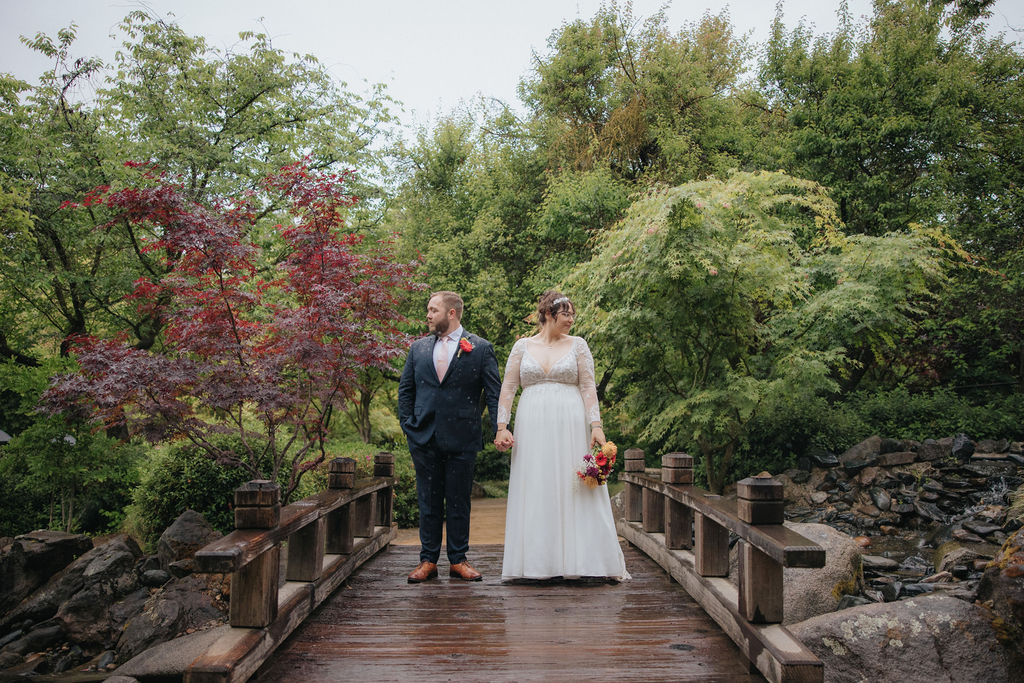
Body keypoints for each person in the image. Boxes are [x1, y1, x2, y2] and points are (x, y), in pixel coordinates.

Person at [495, 290, 628, 581]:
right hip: (531, 424)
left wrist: (596, 425)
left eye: (572, 314)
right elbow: (508, 387)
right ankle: (537, 564)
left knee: (575, 487)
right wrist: (502, 427)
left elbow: (588, 387)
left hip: (570, 422)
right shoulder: (521, 347)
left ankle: (584, 562)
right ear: (547, 314)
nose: (570, 319)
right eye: (565, 314)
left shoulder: (578, 346)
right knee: (537, 483)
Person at [398, 291, 501, 583]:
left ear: (452, 313)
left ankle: (458, 560)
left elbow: (493, 395)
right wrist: (409, 426)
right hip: (424, 437)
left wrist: (499, 428)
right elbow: (406, 391)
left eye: (433, 310)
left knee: (459, 501)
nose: (428, 315)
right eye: (428, 310)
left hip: (463, 439)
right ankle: (427, 560)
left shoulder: (480, 348)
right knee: (428, 501)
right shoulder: (417, 348)